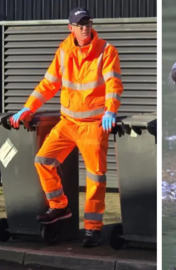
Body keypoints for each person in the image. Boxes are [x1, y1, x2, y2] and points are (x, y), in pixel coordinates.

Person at [9, 7, 123, 247]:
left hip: (93, 125)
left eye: (88, 23)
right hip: (68, 123)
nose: (85, 28)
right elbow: (48, 85)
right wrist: (27, 109)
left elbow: (113, 83)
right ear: (70, 28)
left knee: (96, 177)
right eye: (80, 25)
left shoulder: (106, 50)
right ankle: (59, 206)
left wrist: (111, 110)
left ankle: (93, 229)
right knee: (43, 161)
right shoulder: (64, 51)